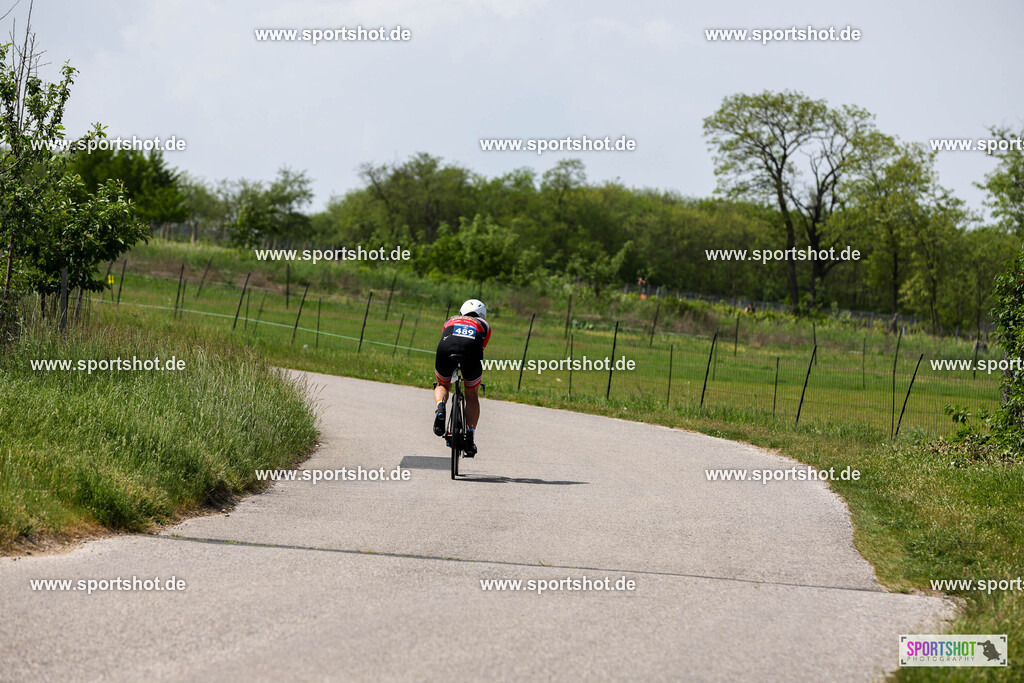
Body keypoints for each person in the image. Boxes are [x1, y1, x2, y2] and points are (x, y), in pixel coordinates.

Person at [433, 299, 491, 456]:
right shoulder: (484, 325)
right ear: (482, 315)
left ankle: (440, 407)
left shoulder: (450, 319)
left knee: (443, 384)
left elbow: (445, 336)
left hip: (446, 347)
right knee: (471, 394)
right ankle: (470, 435)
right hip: (471, 349)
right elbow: (481, 347)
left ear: (461, 312)